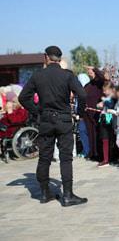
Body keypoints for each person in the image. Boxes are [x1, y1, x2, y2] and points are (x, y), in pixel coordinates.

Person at [19, 46, 88, 206]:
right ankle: (68, 195)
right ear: (59, 58)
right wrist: (79, 112)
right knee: (65, 158)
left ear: (46, 57)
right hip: (63, 120)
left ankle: (44, 193)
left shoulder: (38, 75)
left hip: (45, 120)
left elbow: (23, 97)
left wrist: (37, 111)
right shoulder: (67, 75)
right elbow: (82, 94)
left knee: (44, 158)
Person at [83, 66, 104, 161]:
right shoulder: (88, 85)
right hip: (88, 114)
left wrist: (94, 68)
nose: (89, 72)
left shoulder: (99, 83)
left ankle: (99, 154)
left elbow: (102, 77)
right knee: (90, 134)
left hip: (96, 113)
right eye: (88, 71)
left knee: (97, 134)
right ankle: (92, 153)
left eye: (91, 71)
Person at [96, 82, 116, 167]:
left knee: (107, 140)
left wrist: (104, 102)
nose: (103, 92)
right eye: (103, 90)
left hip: (108, 120)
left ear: (111, 89)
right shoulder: (107, 97)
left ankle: (107, 160)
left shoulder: (112, 98)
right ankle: (106, 158)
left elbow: (111, 105)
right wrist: (100, 105)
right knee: (104, 140)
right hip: (104, 119)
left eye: (105, 90)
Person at [76, 74, 91, 158]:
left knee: (83, 132)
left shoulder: (83, 90)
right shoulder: (87, 88)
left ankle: (86, 150)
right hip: (86, 116)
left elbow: (82, 105)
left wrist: (79, 114)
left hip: (83, 116)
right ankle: (86, 150)